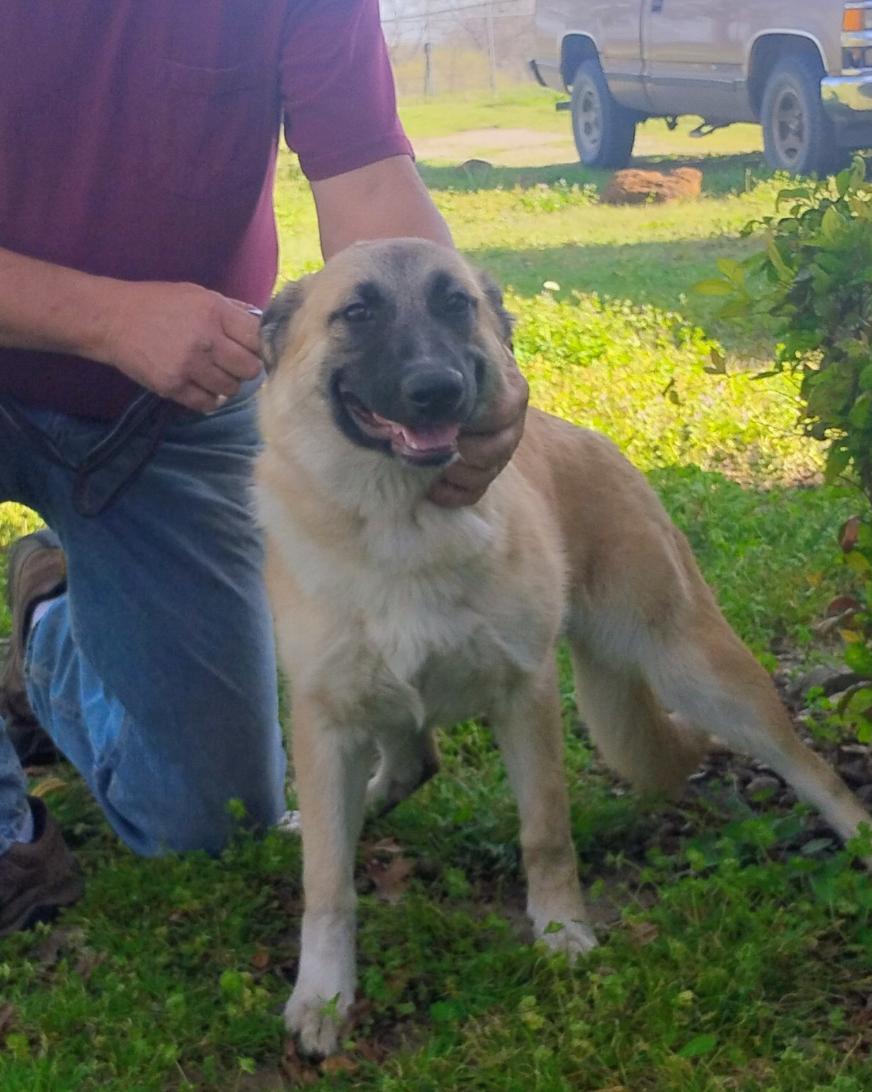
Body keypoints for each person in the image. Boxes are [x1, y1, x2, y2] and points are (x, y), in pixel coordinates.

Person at [0, 1, 528, 937]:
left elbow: (369, 188)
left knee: (212, 821)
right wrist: (107, 317)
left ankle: (53, 633)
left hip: (174, 403)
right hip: (110, 339)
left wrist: (478, 361)